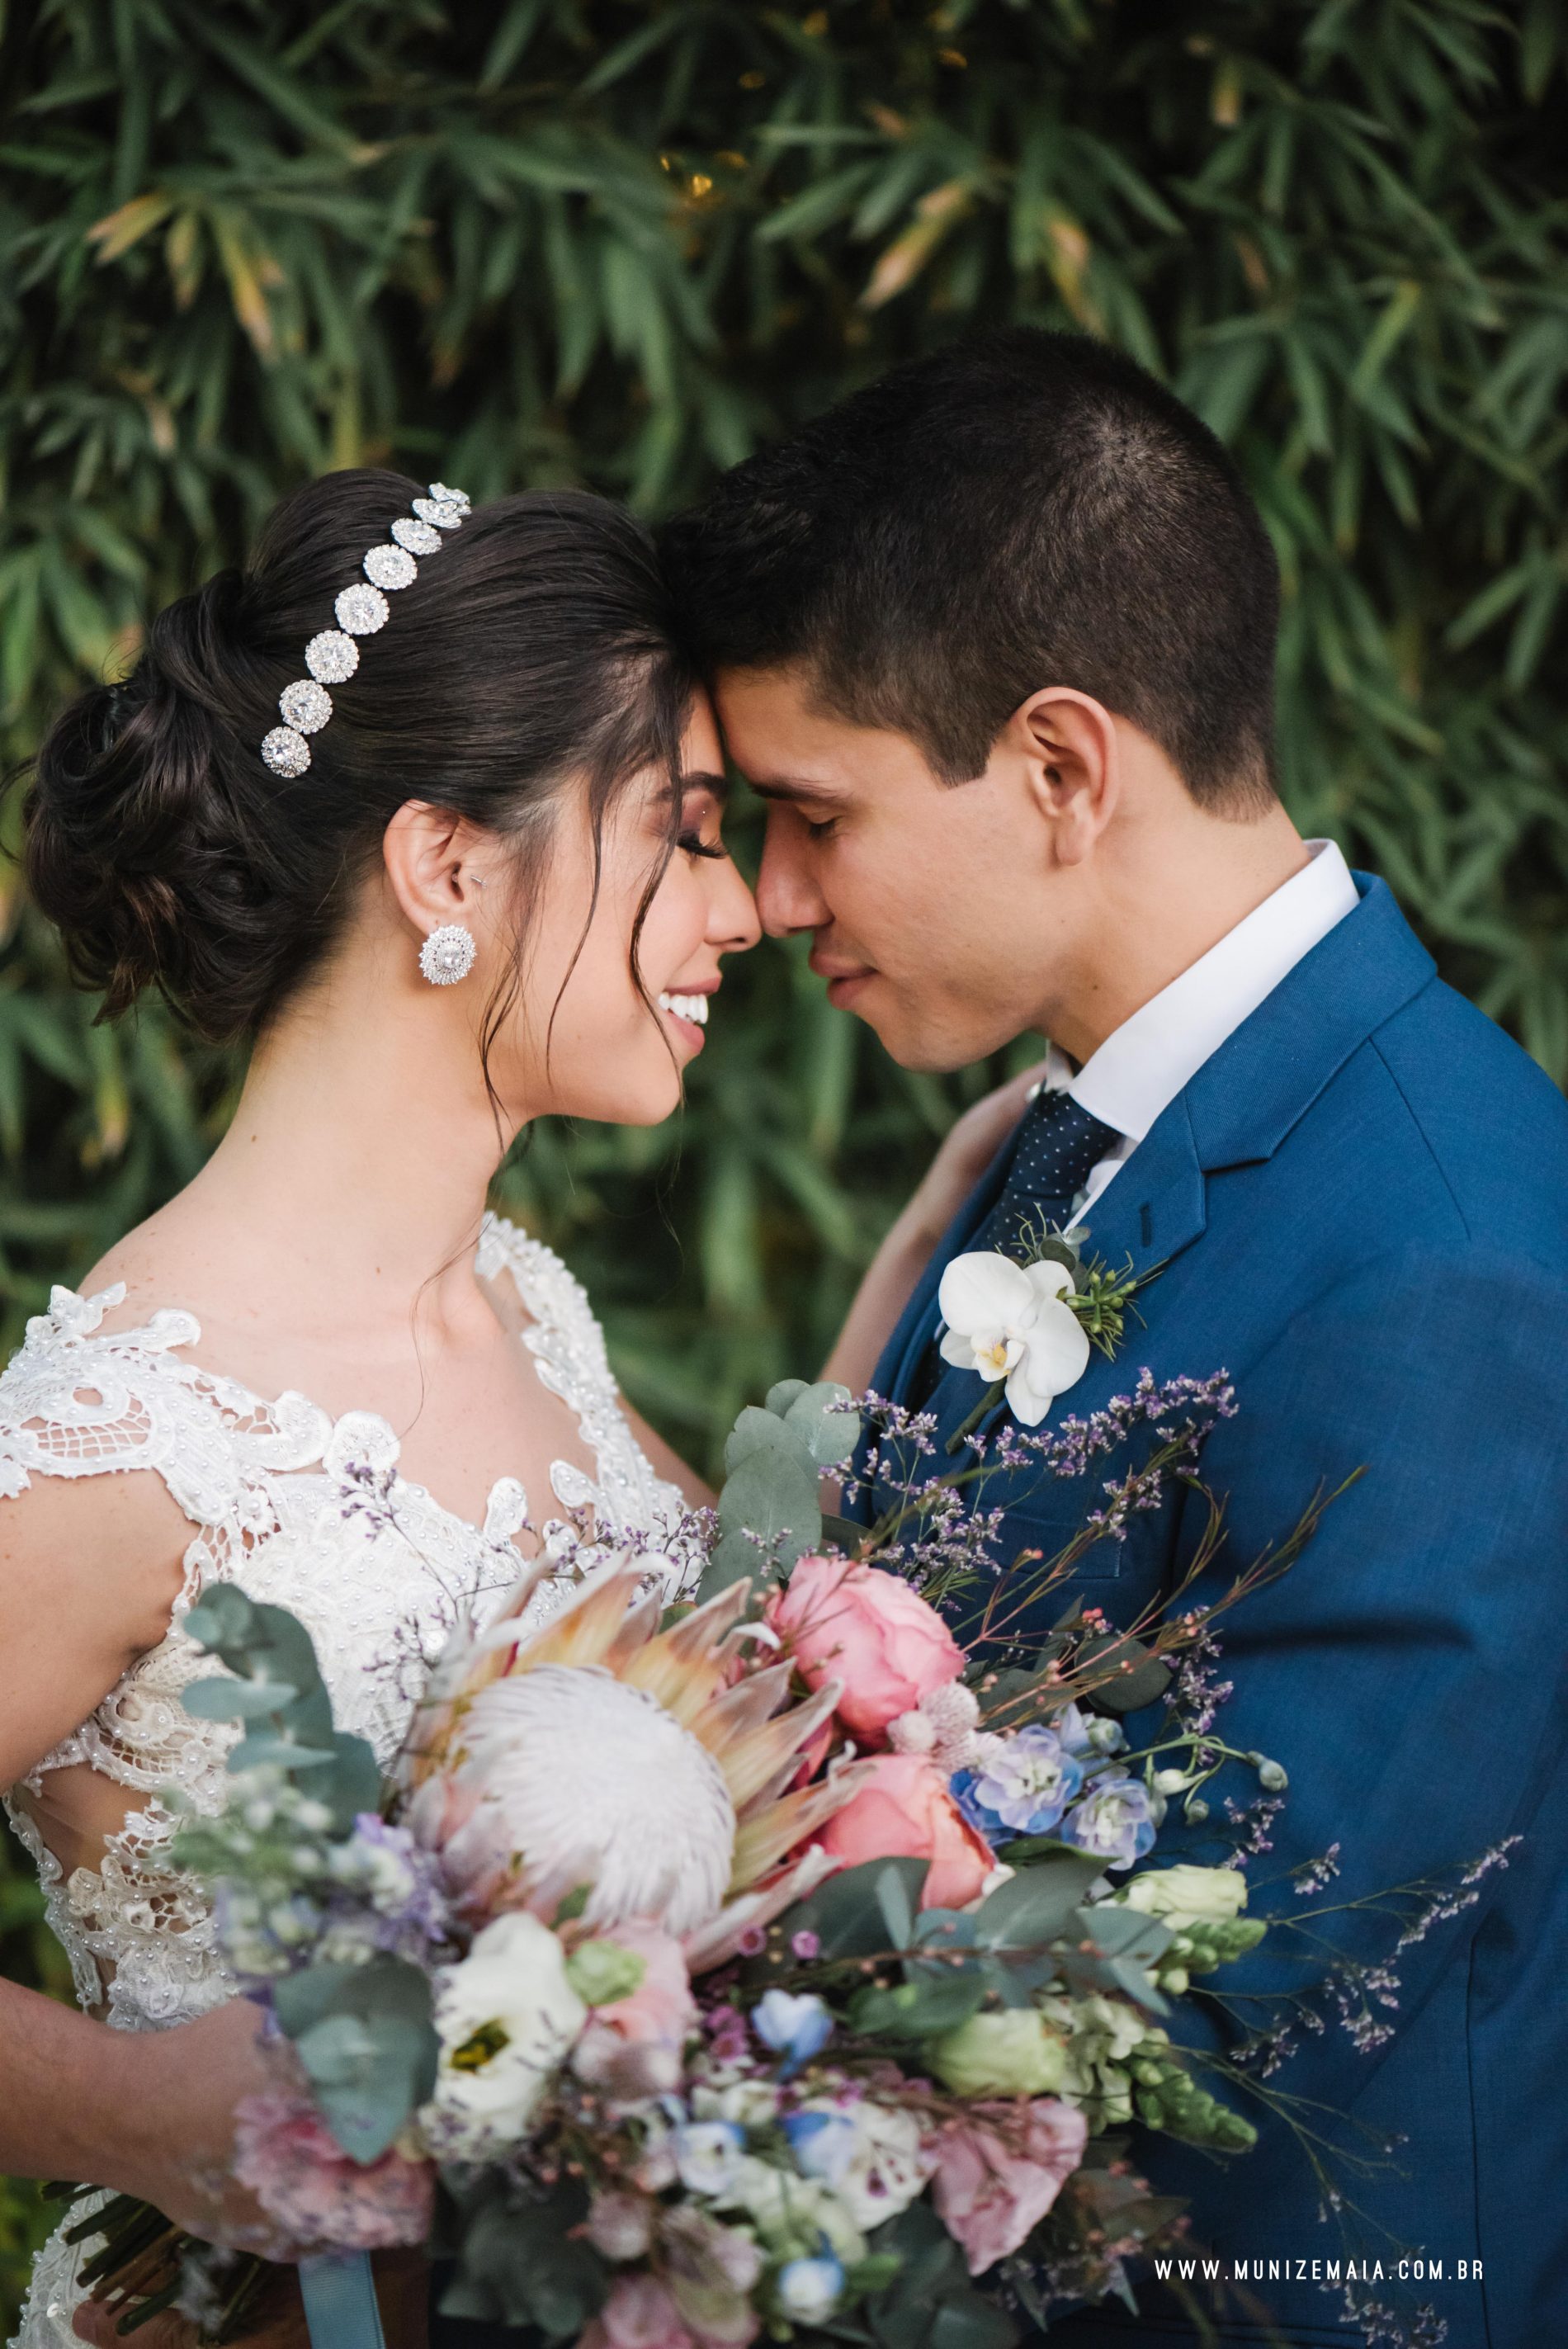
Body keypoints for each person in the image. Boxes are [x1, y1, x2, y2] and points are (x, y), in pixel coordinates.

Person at [659, 329, 1568, 2349]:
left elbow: (1234, 1979)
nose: (772, 896)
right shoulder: (1072, 1127)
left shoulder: (1447, 1253)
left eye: (811, 813)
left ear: (1060, 768)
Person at [0, 470, 767, 2349]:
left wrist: (939, 1271)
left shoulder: (531, 1309)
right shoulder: (134, 1433)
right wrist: (132, 2115)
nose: (741, 906)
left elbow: (781, 1662)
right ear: (448, 867)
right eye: (678, 833)